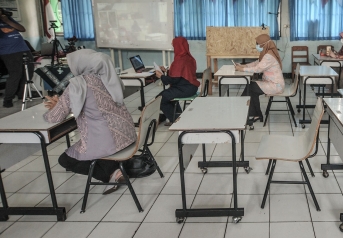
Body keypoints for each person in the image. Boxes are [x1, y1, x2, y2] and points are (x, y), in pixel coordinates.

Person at [43, 49, 137, 194]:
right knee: (92, 143)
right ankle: (115, 169)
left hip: (109, 142)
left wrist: (55, 107)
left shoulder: (77, 84)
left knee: (65, 160)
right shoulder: (109, 78)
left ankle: (112, 174)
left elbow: (54, 118)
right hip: (128, 136)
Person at [236, 34, 285, 122]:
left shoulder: (269, 56)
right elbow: (256, 63)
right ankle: (254, 114)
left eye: (258, 44)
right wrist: (243, 65)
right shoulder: (267, 53)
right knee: (251, 88)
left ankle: (245, 111)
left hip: (275, 85)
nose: (257, 46)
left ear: (264, 44)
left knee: (251, 87)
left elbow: (258, 69)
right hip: (271, 83)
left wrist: (242, 69)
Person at [156, 37, 200, 126]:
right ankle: (178, 115)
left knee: (160, 98)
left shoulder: (179, 60)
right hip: (191, 87)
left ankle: (176, 121)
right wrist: (166, 71)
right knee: (168, 95)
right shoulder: (189, 58)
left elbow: (174, 80)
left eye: (174, 46)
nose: (173, 48)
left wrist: (161, 76)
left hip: (185, 88)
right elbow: (181, 75)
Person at [0, 12, 33, 108]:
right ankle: (8, 99)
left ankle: (22, 95)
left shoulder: (8, 19)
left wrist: (7, 20)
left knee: (28, 73)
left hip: (23, 48)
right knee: (15, 74)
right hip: (9, 52)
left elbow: (22, 29)